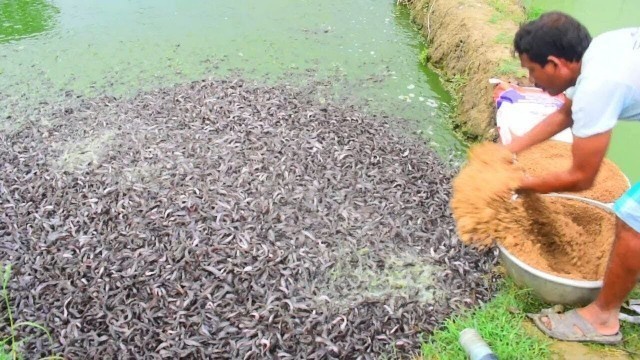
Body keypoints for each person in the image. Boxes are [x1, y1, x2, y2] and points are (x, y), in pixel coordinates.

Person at [504, 12, 640, 344]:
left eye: (532, 71)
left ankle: (602, 320)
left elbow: (582, 177)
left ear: (555, 64)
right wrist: (511, 150)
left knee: (633, 218)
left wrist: (519, 184)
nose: (532, 81)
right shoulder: (601, 49)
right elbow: (567, 112)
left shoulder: (599, 85)